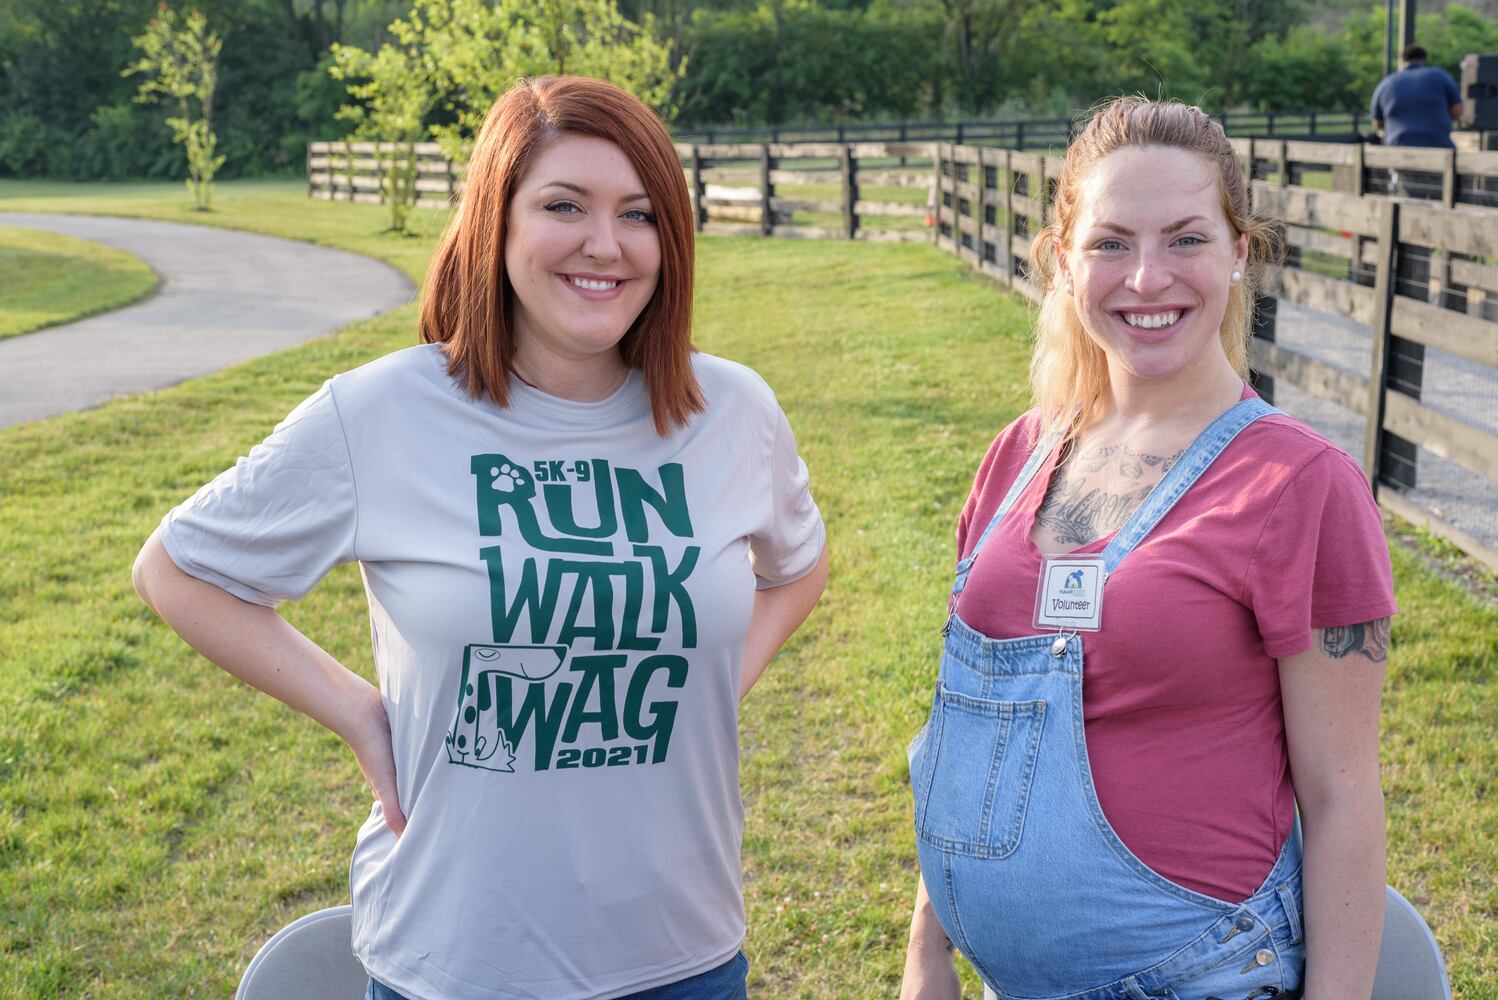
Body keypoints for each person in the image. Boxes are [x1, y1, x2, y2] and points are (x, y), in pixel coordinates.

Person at [133, 75, 829, 1000]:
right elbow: (180, 569)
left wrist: (720, 679)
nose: (605, 245)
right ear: (494, 221)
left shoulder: (731, 408)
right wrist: (359, 713)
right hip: (456, 960)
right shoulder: (383, 412)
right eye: (563, 205)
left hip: (683, 953)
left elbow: (799, 566)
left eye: (640, 214)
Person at [900, 97, 1395, 1000]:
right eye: (1112, 242)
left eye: (1187, 240)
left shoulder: (1302, 485)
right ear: (1063, 256)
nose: (1147, 277)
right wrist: (927, 950)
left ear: (1241, 251)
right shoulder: (1019, 454)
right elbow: (970, 729)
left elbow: (1344, 800)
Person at [1370, 44, 1463, 149]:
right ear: (1423, 60)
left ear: (1403, 61)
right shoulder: (1440, 76)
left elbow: (1377, 122)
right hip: (1438, 146)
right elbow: (1458, 111)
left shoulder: (1386, 83)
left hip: (1397, 148)